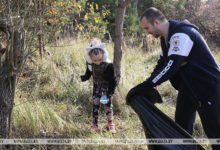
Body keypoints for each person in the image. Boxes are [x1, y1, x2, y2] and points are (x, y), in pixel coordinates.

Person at [126, 7, 220, 150]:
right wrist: (145, 85)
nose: (147, 32)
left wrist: (147, 85)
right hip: (189, 88)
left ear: (156, 22)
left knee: (214, 133)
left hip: (208, 88)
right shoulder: (166, 38)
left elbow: (171, 66)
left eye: (147, 28)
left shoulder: (182, 34)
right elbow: (161, 64)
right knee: (181, 128)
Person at [80, 38, 117, 133]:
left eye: (99, 59)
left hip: (106, 90)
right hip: (96, 88)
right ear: (90, 58)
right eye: (95, 60)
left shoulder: (108, 65)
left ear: (103, 55)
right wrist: (85, 77)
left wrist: (110, 91)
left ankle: (110, 123)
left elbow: (113, 80)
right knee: (95, 105)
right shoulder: (90, 64)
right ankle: (95, 125)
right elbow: (89, 72)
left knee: (107, 105)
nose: (98, 62)